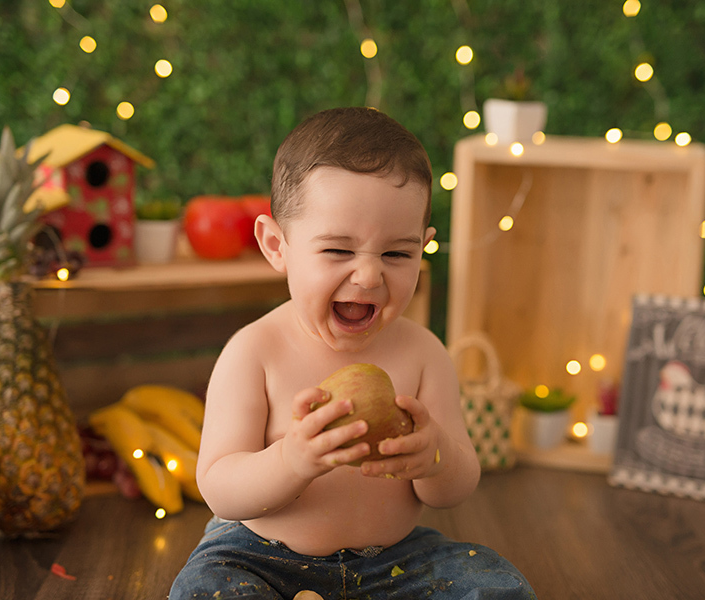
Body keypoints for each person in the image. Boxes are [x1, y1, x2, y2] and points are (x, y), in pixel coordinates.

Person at [169, 107, 535, 599]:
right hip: (262, 556)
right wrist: (292, 460)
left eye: (396, 254)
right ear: (277, 245)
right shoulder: (254, 351)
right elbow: (219, 486)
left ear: (423, 249)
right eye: (338, 251)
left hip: (393, 562)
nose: (368, 276)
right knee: (203, 589)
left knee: (497, 587)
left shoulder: (424, 353)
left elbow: (458, 485)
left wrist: (434, 458)